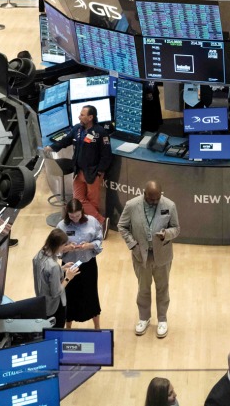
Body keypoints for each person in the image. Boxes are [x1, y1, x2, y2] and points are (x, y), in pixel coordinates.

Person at [117, 180, 179, 338]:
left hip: (162, 255)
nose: (154, 202)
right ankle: (144, 318)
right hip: (140, 255)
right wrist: (132, 245)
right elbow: (122, 226)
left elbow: (176, 228)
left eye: (157, 198)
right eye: (151, 199)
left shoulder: (169, 205)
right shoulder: (132, 205)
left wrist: (167, 234)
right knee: (143, 288)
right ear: (144, 194)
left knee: (162, 288)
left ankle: (162, 319)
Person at [48, 104, 112, 220]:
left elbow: (106, 155)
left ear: (90, 117)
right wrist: (52, 147)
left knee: (93, 202)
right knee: (78, 200)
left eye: (82, 115)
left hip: (93, 173)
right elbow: (65, 141)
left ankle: (94, 226)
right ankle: (101, 221)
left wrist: (100, 172)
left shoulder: (100, 132)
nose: (79, 117)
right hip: (79, 171)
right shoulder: (77, 129)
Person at [57, 197, 103, 328]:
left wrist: (89, 245)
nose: (75, 219)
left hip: (88, 265)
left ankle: (97, 327)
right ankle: (68, 327)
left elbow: (99, 241)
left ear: (82, 211)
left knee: (91, 295)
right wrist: (66, 248)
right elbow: (55, 249)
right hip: (69, 266)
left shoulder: (92, 222)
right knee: (69, 296)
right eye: (71, 216)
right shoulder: (61, 226)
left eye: (77, 215)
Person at [33, 227, 79, 328]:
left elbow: (45, 275)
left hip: (41, 303)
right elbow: (55, 292)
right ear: (58, 245)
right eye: (64, 245)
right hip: (54, 307)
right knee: (56, 334)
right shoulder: (53, 266)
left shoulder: (38, 256)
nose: (65, 247)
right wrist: (68, 278)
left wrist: (61, 268)